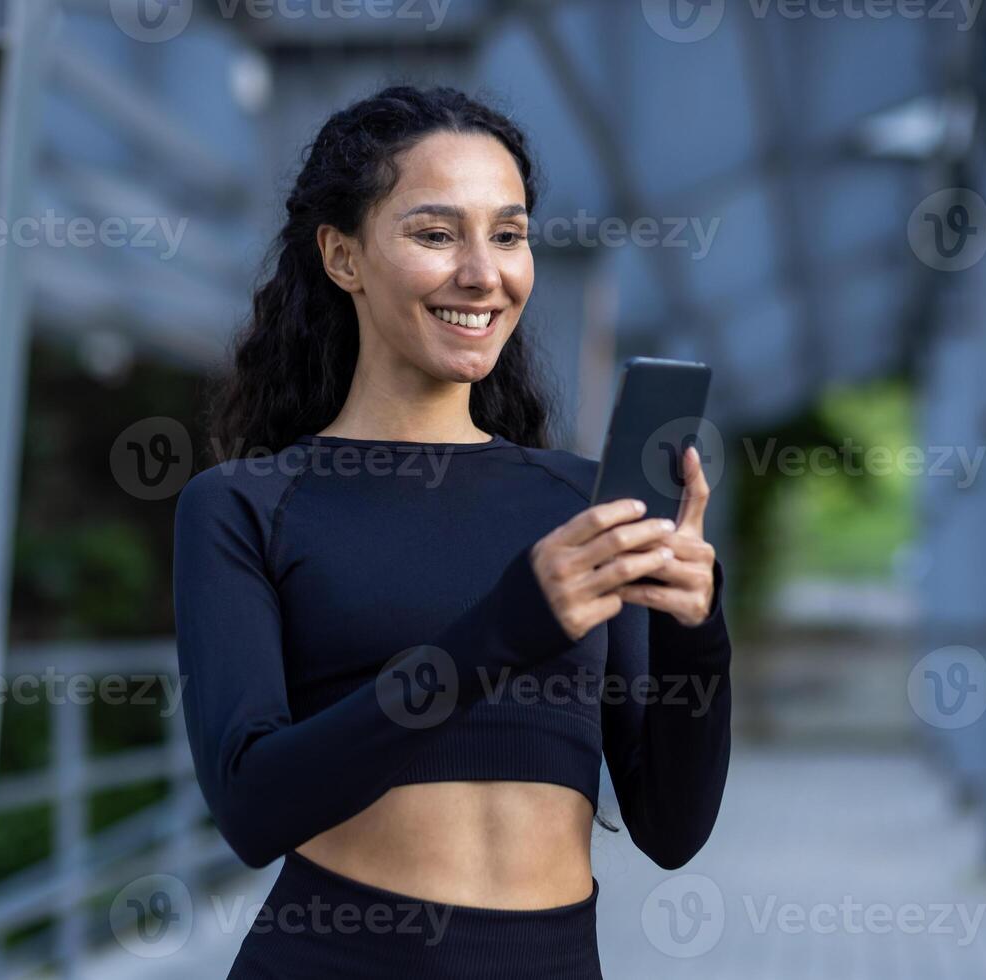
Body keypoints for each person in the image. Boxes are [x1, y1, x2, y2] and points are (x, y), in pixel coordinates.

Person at [173, 84, 732, 979]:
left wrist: (695, 628)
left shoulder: (580, 505)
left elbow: (671, 828)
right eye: (436, 235)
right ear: (343, 256)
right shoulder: (245, 505)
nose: (484, 273)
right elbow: (252, 808)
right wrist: (510, 628)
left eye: (507, 235)